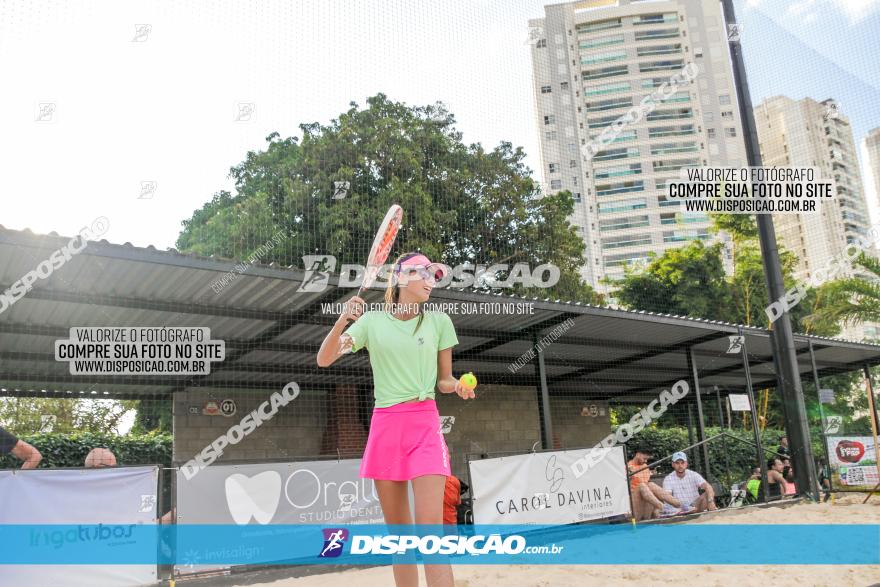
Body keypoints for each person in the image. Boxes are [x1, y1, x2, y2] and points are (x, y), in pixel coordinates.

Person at [317, 251, 473, 587]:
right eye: (424, 273)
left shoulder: (440, 322)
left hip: (425, 427)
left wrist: (456, 385)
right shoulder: (371, 322)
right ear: (401, 277)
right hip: (386, 429)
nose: (432, 280)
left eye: (435, 274)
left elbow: (443, 380)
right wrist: (343, 319)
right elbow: (325, 358)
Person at [627, 449, 680, 520]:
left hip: (646, 508)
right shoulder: (627, 467)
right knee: (642, 485)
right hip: (634, 508)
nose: (646, 461)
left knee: (650, 484)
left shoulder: (645, 467)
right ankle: (663, 508)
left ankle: (678, 504)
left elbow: (647, 489)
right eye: (644, 458)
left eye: (647, 459)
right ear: (638, 454)